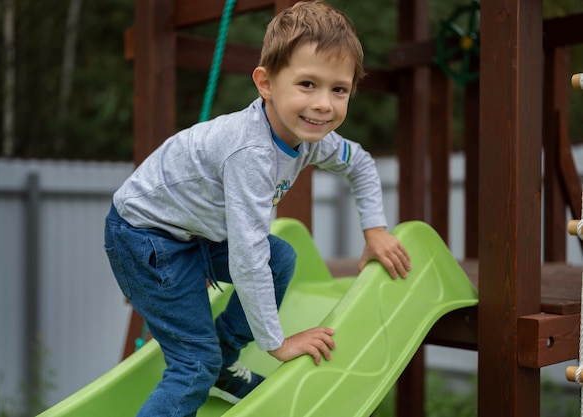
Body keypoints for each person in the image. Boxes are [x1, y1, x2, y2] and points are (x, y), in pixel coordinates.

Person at [104, 1, 411, 415]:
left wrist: (375, 230)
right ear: (266, 83)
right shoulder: (250, 151)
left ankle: (225, 360)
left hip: (191, 230)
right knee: (193, 364)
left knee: (281, 258)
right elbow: (247, 258)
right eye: (307, 84)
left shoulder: (312, 137)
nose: (323, 104)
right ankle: (211, 365)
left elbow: (360, 163)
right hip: (144, 238)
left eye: (338, 89)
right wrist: (277, 343)